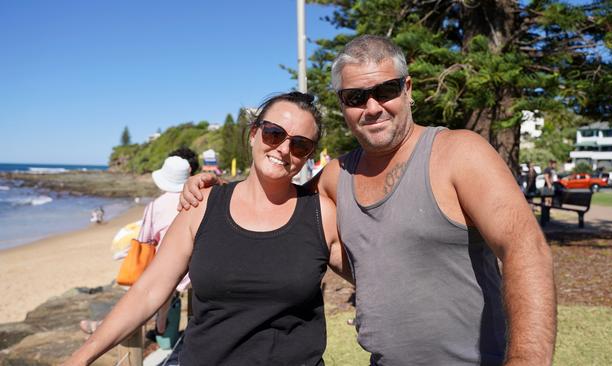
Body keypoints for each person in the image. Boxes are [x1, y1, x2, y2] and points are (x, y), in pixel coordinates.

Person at [181, 35, 556, 365]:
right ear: (343, 105)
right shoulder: (334, 177)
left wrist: (525, 359)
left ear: (408, 89)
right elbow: (272, 207)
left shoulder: (458, 154)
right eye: (356, 97)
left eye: (387, 90)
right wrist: (217, 189)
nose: (373, 107)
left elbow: (525, 249)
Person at [64, 92, 349, 365]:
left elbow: (373, 280)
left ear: (309, 155)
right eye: (274, 133)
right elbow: (148, 291)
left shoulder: (320, 215)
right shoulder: (202, 206)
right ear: (253, 134)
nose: (284, 149)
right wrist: (81, 357)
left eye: (300, 145)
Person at [80, 149, 198, 341]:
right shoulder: (198, 200)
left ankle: (103, 328)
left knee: (143, 290)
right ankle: (162, 317)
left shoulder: (155, 206)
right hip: (195, 269)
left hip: (170, 270)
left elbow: (144, 240)